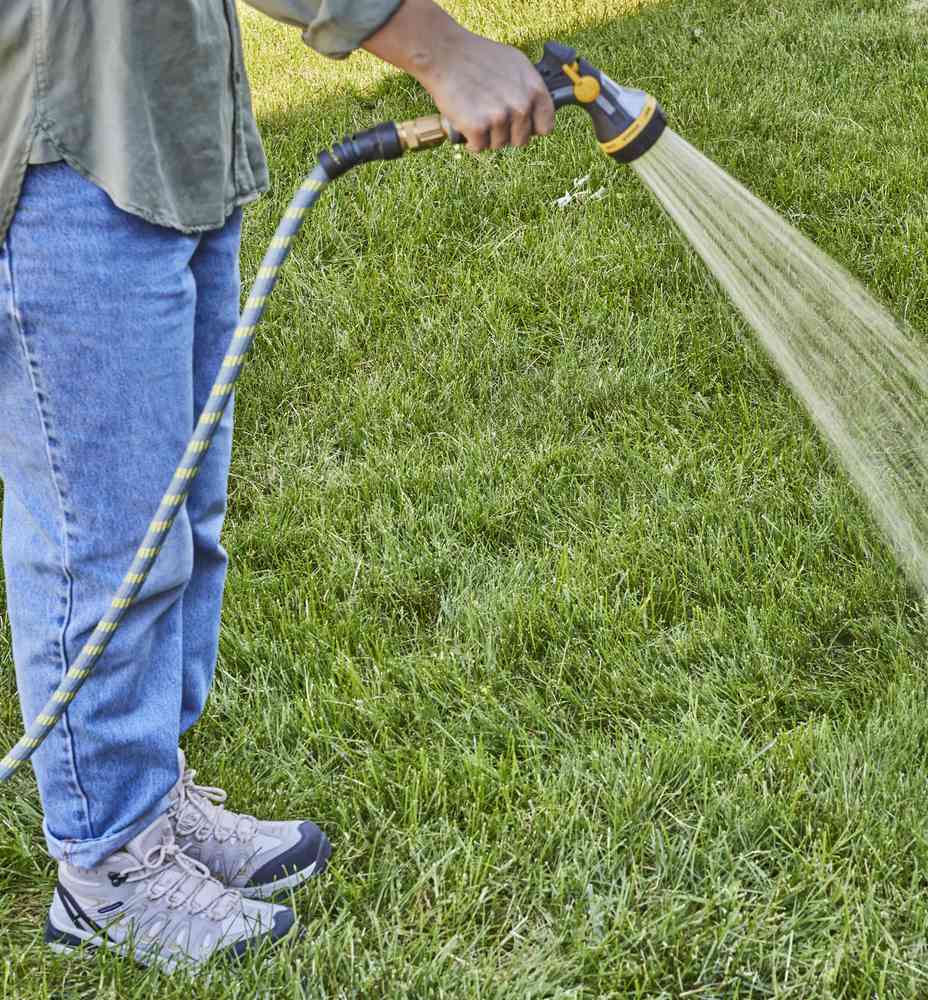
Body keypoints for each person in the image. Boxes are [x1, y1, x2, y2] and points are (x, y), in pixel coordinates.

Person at [0, 0, 553, 970]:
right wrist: (439, 49)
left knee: (178, 519)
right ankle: (107, 868)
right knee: (109, 536)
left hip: (171, 120)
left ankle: (150, 804)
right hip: (67, 143)